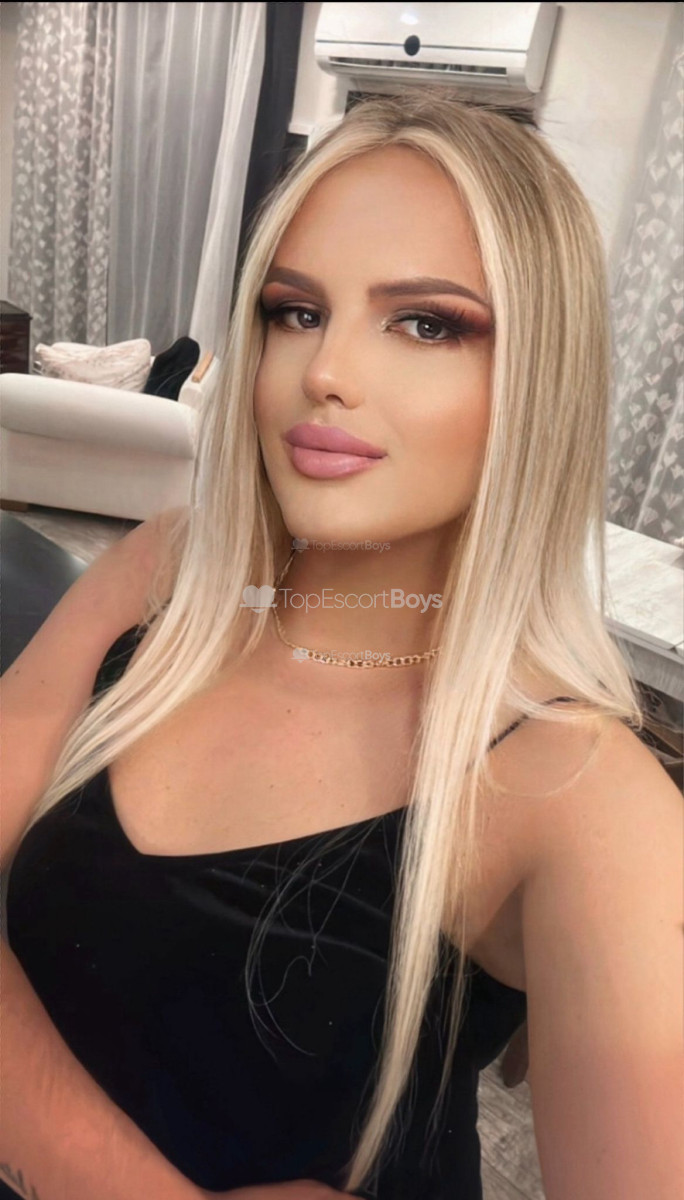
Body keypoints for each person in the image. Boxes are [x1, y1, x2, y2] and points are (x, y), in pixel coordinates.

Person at [1, 87, 682, 1200]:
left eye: (428, 323)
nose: (325, 371)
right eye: (296, 311)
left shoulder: (581, 795)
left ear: (540, 380)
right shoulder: (169, 574)